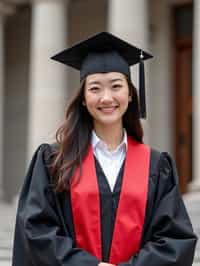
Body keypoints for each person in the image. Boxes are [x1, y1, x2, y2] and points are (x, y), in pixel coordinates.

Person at [12, 32, 197, 266]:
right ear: (83, 97)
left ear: (130, 94)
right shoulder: (54, 160)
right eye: (95, 88)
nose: (106, 97)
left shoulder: (156, 165)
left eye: (116, 86)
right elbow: (36, 231)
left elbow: (174, 239)